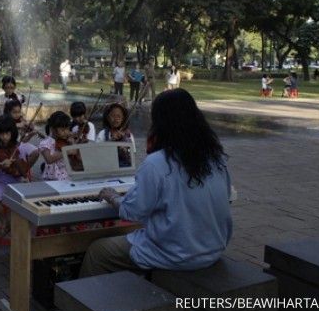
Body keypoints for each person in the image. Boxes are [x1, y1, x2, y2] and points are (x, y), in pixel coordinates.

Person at [80, 88, 232, 277]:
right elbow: (226, 196)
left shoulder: (156, 163)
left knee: (98, 251)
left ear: (160, 123)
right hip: (212, 249)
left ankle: (82, 303)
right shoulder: (215, 158)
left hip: (175, 255)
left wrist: (112, 197)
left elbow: (133, 211)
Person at [0, 115, 40, 236]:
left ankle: (10, 226)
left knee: (17, 203)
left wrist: (20, 163)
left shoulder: (19, 146)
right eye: (1, 134)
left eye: (7, 133)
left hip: (17, 182)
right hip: (0, 181)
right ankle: (5, 223)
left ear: (12, 132)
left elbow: (32, 159)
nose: (5, 137)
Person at [96, 103, 135, 167]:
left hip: (124, 170)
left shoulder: (129, 135)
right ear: (108, 118)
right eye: (113, 116)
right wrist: (111, 141)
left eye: (119, 116)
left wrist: (125, 151)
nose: (116, 119)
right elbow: (97, 154)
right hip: (106, 167)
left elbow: (131, 159)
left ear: (123, 119)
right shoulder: (102, 134)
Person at [39, 111, 73, 181]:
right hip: (52, 178)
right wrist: (66, 151)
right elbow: (49, 159)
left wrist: (73, 144)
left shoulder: (66, 141)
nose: (66, 132)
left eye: (67, 129)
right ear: (53, 129)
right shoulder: (45, 143)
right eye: (63, 130)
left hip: (66, 175)